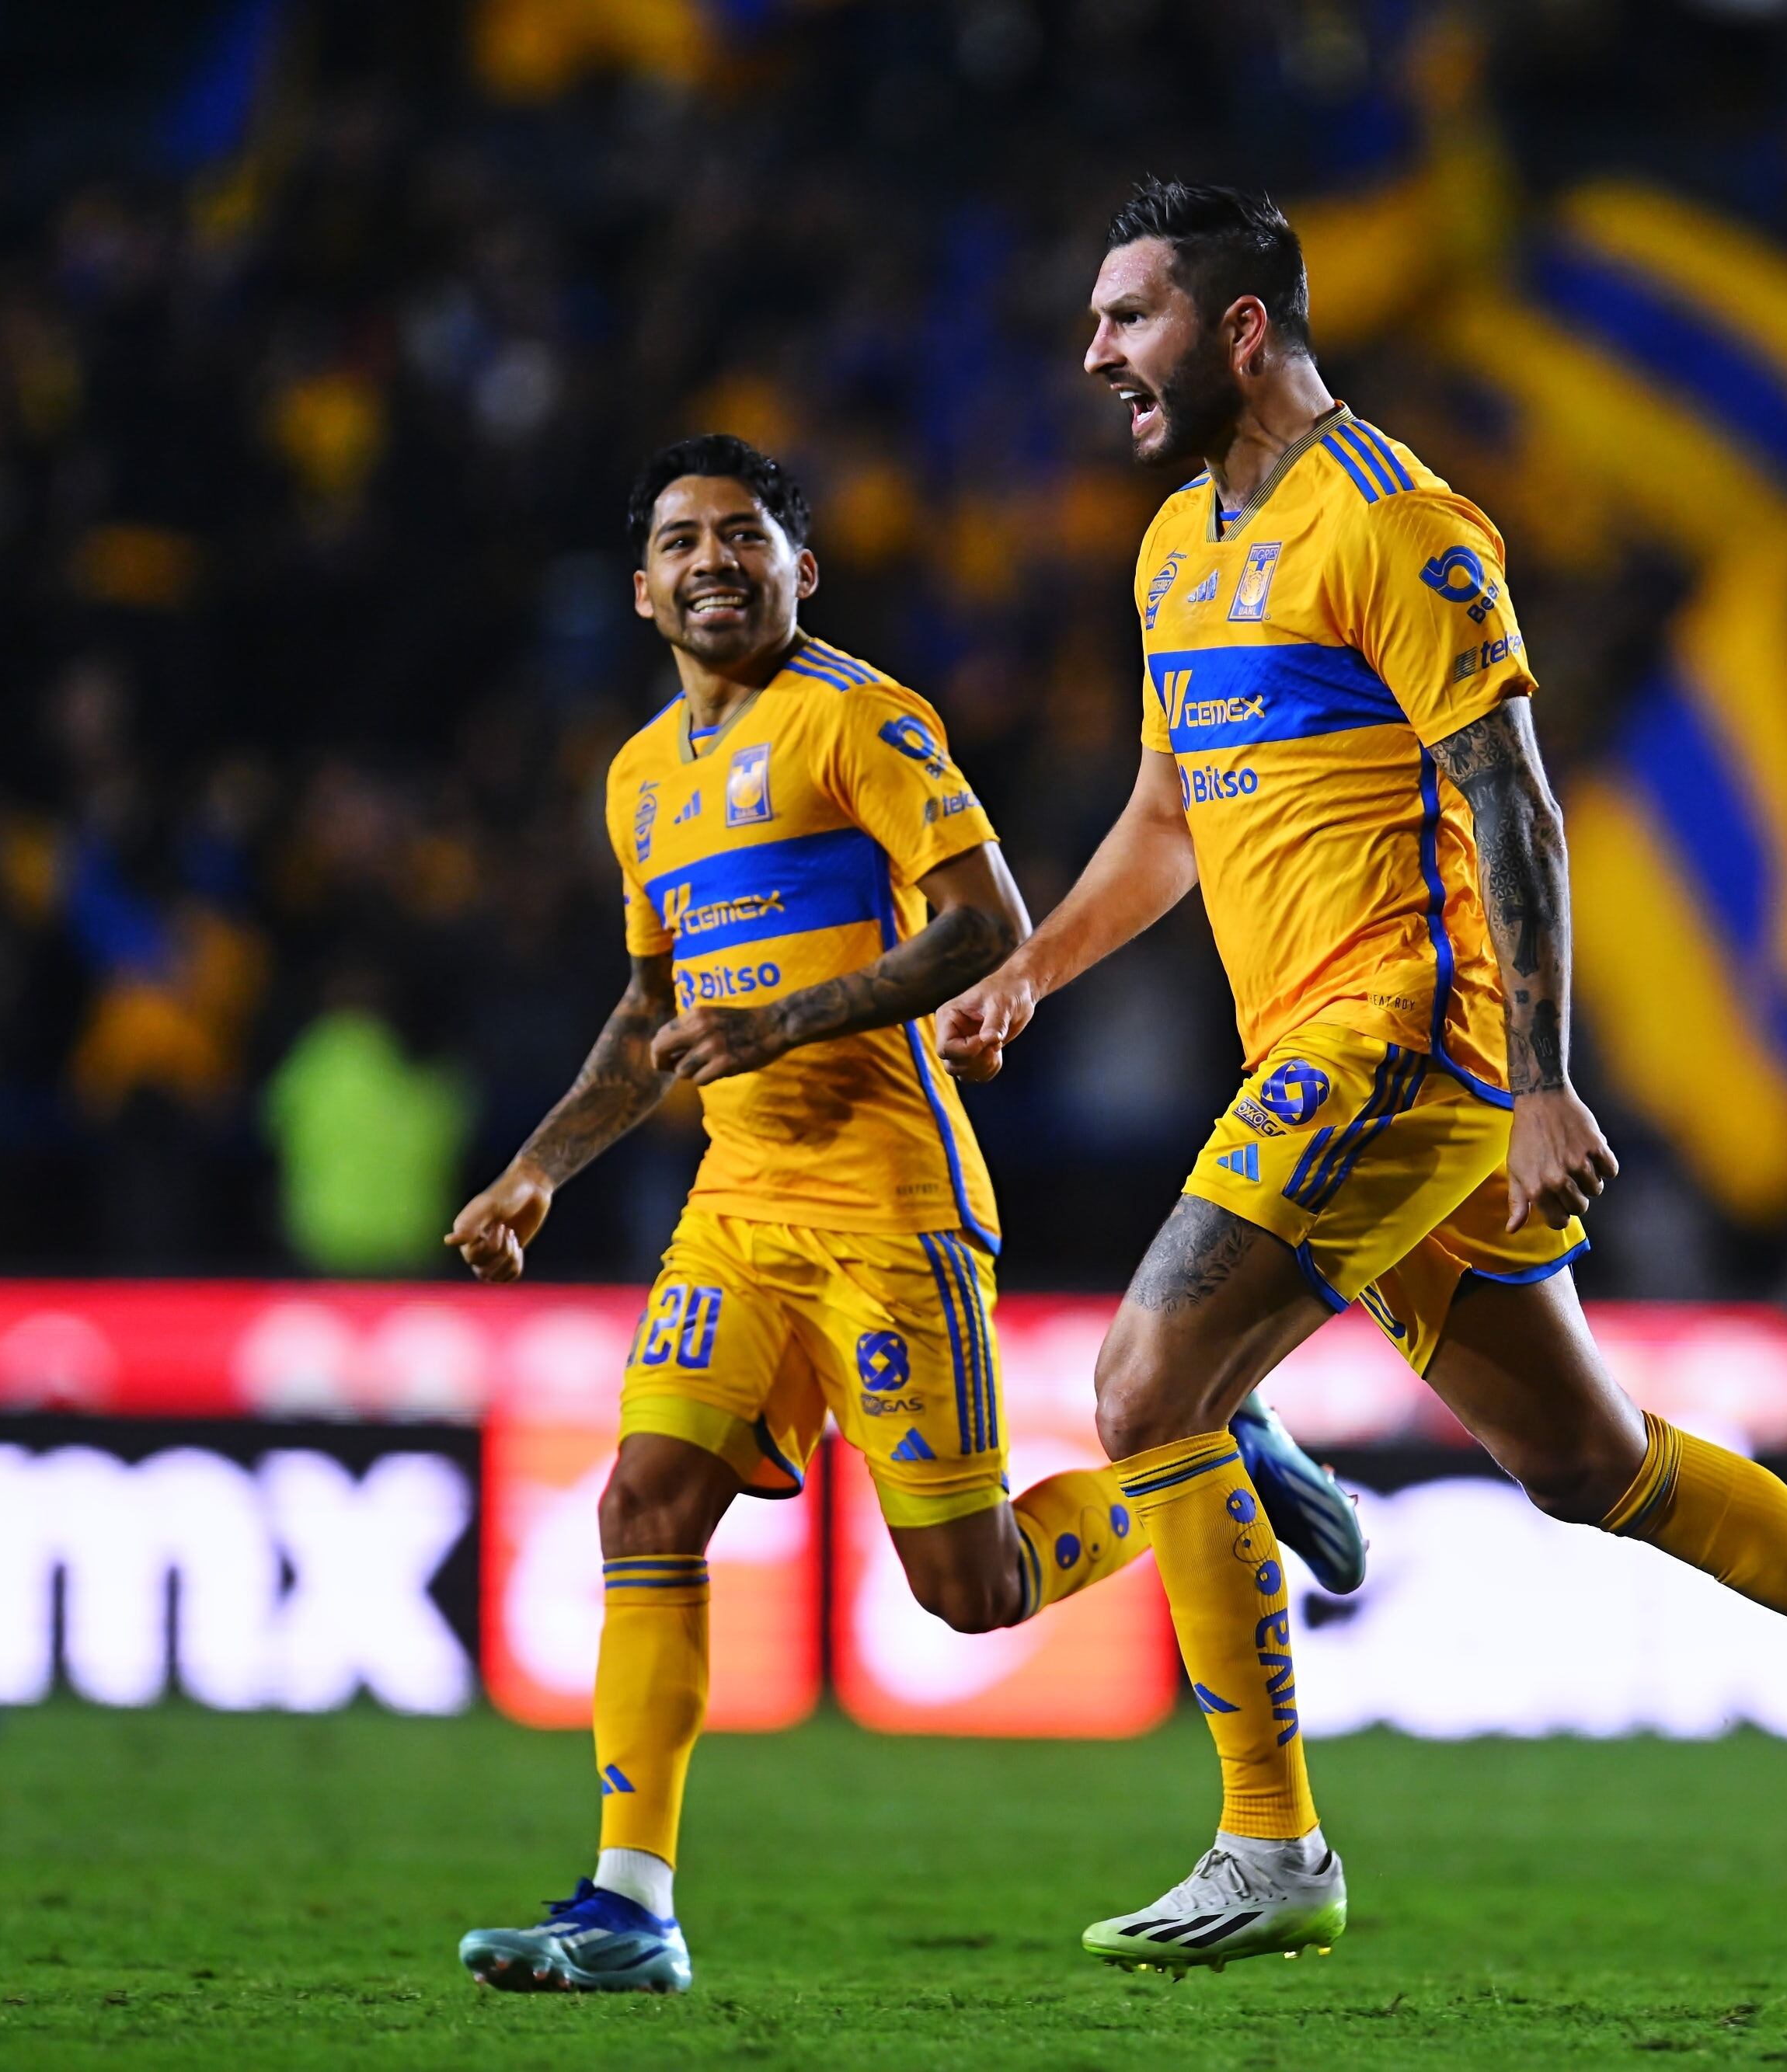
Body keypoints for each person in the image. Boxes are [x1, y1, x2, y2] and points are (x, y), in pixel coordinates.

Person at [938, 181, 1787, 1971]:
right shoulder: (1172, 552)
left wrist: (1538, 1078)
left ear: (1240, 330)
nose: (1094, 355)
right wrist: (1030, 968)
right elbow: (1165, 818)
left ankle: (1268, 1839)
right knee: (1581, 1459)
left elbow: (1511, 798)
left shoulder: (1394, 522)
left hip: (1398, 1040)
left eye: (1128, 316)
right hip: (1323, 1053)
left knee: (1144, 1389)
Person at [444, 434, 1364, 1996]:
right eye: (681, 540)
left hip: (888, 1201)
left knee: (970, 1591)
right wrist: (541, 1166)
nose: (714, 560)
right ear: (642, 589)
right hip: (737, 1207)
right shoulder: (639, 778)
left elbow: (985, 923)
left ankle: (1201, 1456)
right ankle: (629, 1905)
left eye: (745, 535)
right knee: (642, 1504)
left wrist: (787, 1019)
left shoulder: (860, 717)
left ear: (802, 569)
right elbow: (650, 1007)